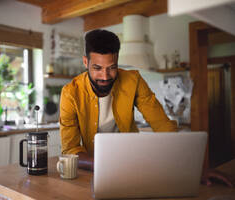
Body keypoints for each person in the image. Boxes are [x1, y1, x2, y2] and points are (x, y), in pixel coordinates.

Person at [59, 29, 233, 187]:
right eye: (97, 68)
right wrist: (105, 164)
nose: (105, 76)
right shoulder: (70, 93)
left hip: (134, 163)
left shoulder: (133, 80)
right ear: (85, 62)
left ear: (117, 61)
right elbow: (71, 149)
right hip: (93, 169)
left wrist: (193, 168)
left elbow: (162, 125)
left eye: (112, 68)